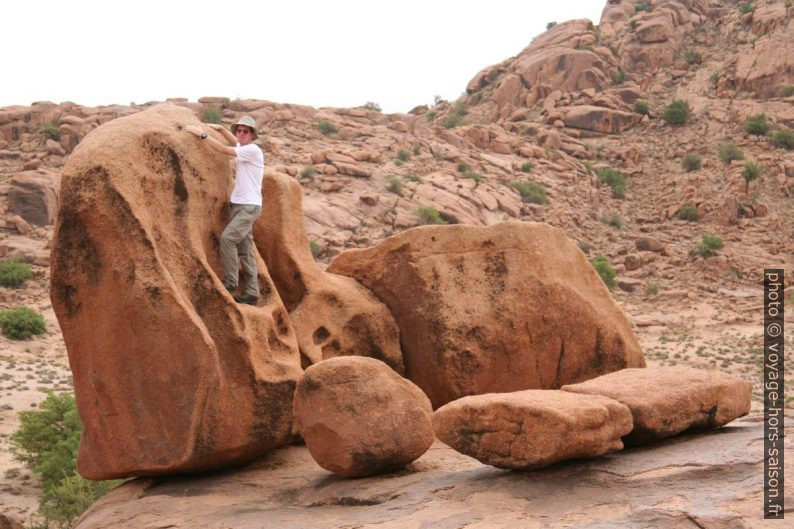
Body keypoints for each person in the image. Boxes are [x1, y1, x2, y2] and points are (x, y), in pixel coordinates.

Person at [185, 116, 263, 305]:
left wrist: (202, 134)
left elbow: (224, 149)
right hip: (240, 205)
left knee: (228, 239)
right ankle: (252, 293)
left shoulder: (252, 150)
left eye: (245, 131)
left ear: (252, 135)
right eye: (239, 130)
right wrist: (220, 129)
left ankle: (230, 283)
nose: (241, 134)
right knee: (245, 250)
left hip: (249, 207)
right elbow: (234, 141)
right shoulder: (245, 146)